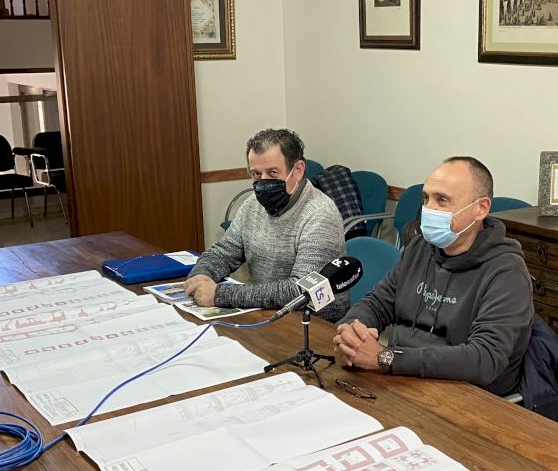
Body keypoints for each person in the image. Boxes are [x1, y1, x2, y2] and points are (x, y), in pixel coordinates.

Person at [333, 156, 533, 395]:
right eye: (426, 198)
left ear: (480, 208)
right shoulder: (419, 248)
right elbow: (377, 303)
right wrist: (352, 330)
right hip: (402, 380)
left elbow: (484, 359)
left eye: (442, 200)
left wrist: (386, 358)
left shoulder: (507, 272)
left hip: (466, 394)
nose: (429, 209)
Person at [185, 128, 349, 321]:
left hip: (312, 321)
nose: (263, 182)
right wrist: (201, 275)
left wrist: (220, 294)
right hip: (265, 311)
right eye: (256, 174)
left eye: (272, 173)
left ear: (297, 170)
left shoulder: (321, 214)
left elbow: (300, 291)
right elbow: (223, 252)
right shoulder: (252, 205)